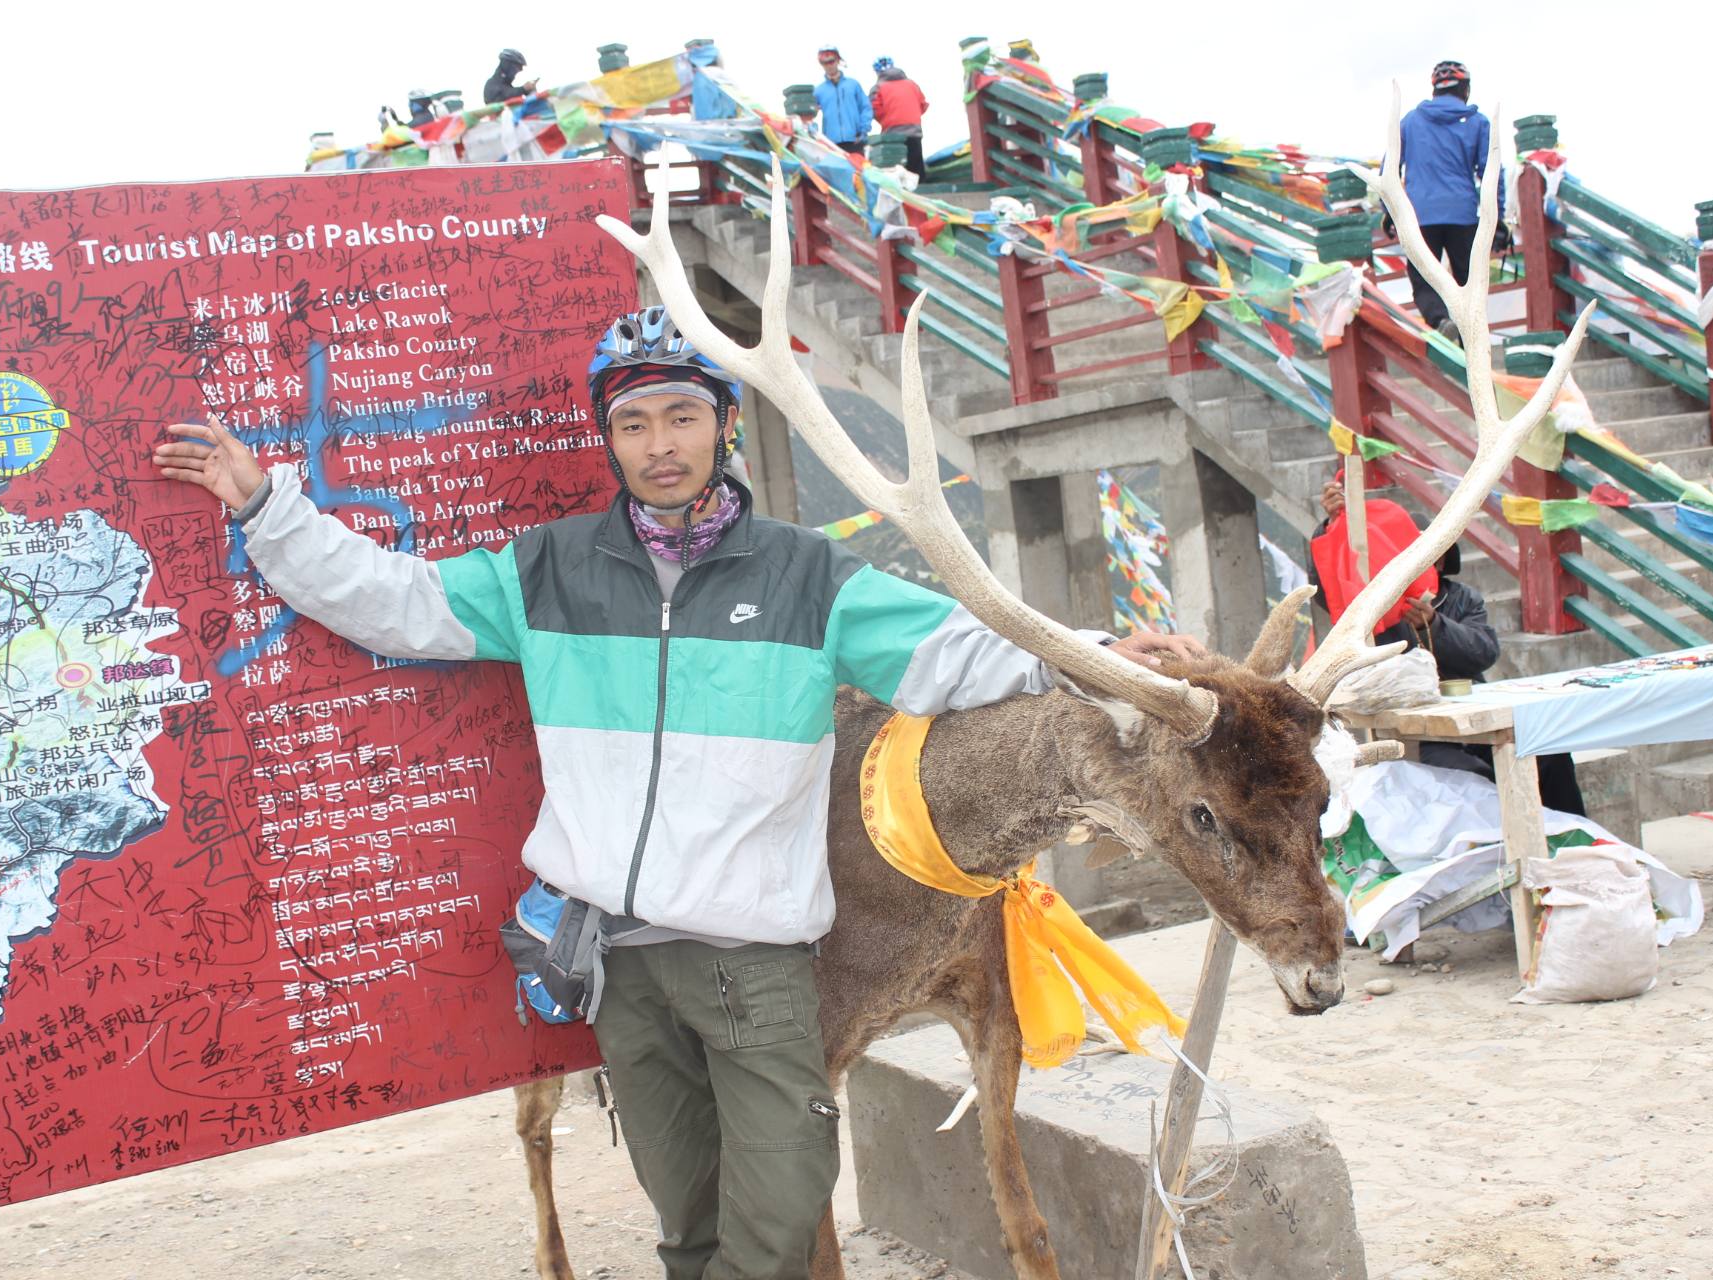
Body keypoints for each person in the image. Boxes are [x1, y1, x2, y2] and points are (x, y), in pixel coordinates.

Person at [152, 307, 1196, 1278]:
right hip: (617, 961)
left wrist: (1102, 658)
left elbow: (964, 655)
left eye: (684, 415)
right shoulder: (547, 571)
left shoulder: (806, 578)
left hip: (757, 961)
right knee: (686, 1212)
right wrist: (265, 504)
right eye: (636, 420)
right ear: (611, 438)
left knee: (785, 1195)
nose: (661, 442)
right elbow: (396, 602)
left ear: (724, 425)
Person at [1307, 476, 1587, 816]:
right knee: (1474, 779)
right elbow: (1330, 591)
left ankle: (1572, 839)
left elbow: (1483, 651)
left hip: (1471, 719)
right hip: (1415, 735)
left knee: (1550, 755)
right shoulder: (1374, 605)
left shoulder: (1463, 599)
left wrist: (1435, 626)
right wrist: (1332, 525)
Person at [1395, 60, 1511, 345]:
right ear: (1466, 89)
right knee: (1469, 283)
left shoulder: (1409, 122)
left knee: (1425, 279)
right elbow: (1491, 172)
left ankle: (1440, 321)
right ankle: (1471, 341)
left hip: (1419, 216)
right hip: (1463, 214)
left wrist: (1390, 213)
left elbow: (1389, 168)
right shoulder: (1478, 123)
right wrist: (1497, 220)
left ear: (1434, 90)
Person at [869, 56, 929, 178]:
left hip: (892, 132)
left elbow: (874, 109)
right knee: (916, 168)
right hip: (914, 129)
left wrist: (887, 119)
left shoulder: (878, 88)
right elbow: (923, 104)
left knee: (895, 170)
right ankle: (922, 192)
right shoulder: (912, 84)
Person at [813, 44, 872, 154]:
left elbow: (865, 107)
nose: (829, 66)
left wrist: (864, 129)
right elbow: (810, 115)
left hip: (855, 140)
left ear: (837, 60)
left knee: (859, 171)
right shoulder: (818, 91)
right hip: (831, 144)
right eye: (824, 63)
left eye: (831, 61)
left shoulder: (853, 85)